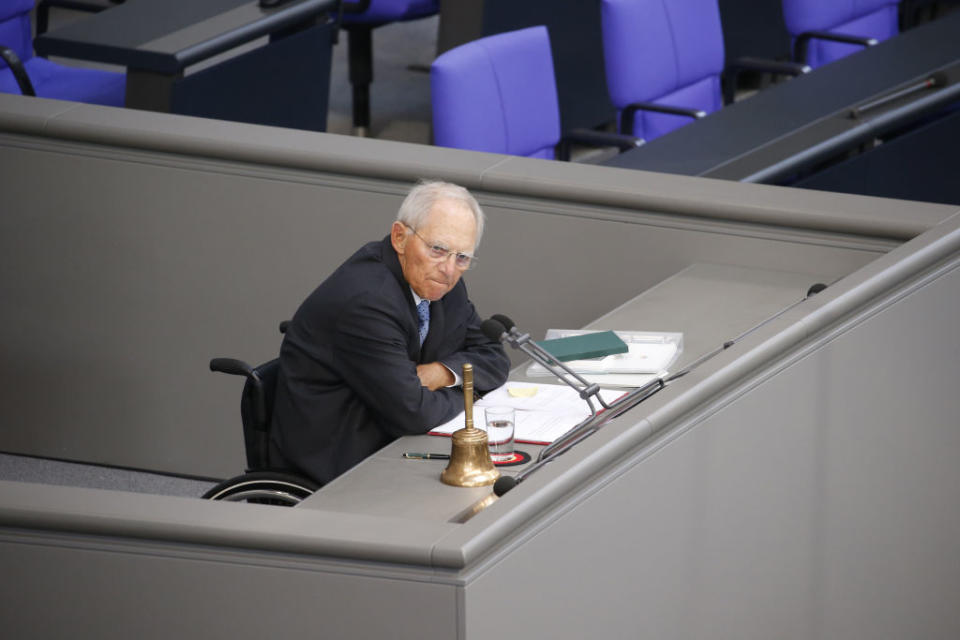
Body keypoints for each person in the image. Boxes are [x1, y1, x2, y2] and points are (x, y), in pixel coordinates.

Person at [269, 180, 511, 485]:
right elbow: (414, 412)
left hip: (395, 445)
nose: (449, 270)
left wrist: (440, 374)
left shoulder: (441, 282)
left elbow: (493, 356)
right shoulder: (367, 302)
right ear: (400, 237)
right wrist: (470, 396)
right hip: (342, 464)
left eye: (462, 257)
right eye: (438, 249)